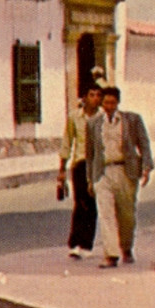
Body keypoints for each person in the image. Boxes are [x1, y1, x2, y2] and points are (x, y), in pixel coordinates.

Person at [87, 85, 154, 267]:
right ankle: (111, 254)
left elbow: (144, 143)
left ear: (118, 103)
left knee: (126, 215)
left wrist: (147, 166)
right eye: (106, 102)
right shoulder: (94, 123)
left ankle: (126, 247)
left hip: (126, 171)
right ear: (102, 103)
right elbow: (90, 154)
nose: (109, 106)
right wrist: (90, 179)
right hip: (103, 172)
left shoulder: (132, 120)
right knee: (106, 214)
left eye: (112, 102)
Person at [57, 84, 102, 260]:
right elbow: (67, 142)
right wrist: (62, 169)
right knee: (80, 201)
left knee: (91, 203)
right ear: (84, 98)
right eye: (92, 95)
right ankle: (75, 243)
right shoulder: (75, 117)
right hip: (80, 164)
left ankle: (87, 243)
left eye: (98, 95)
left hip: (97, 165)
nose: (95, 99)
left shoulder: (103, 118)